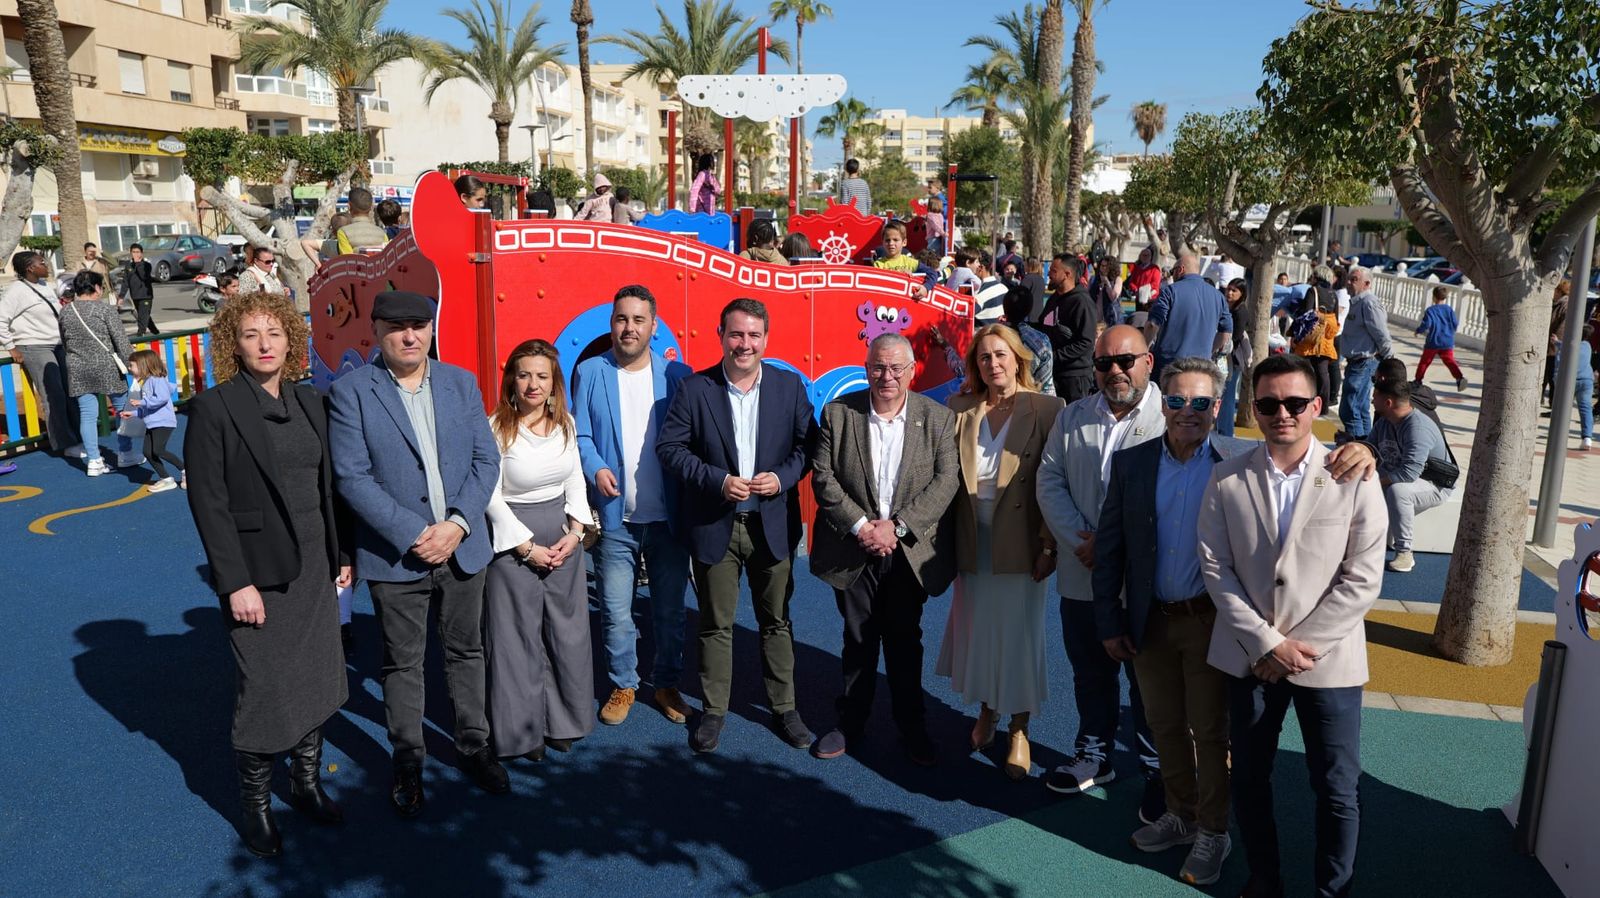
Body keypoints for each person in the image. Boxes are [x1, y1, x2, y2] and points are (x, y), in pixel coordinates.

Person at [1200, 353, 1386, 898]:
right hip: (1248, 656)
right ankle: (1264, 879)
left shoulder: (1353, 475)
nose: (1283, 413)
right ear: (1253, 410)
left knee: (1336, 788)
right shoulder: (1225, 478)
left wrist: (1298, 647)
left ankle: (1333, 891)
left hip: (1327, 662)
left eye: (1295, 403)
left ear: (1317, 407)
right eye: (1268, 403)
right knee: (1251, 778)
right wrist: (1266, 643)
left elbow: (1363, 577)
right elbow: (1216, 568)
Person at [328, 290, 509, 817]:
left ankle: (474, 745)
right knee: (402, 662)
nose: (410, 336)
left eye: (419, 326)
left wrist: (455, 525)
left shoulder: (460, 383)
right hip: (396, 555)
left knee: (466, 652)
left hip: (461, 547)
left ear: (431, 329)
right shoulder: (351, 392)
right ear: (376, 330)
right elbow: (352, 477)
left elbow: (485, 458)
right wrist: (413, 533)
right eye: (397, 326)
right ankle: (408, 757)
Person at [184, 289, 351, 859]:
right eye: (251, 334)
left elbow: (328, 489)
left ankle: (305, 785)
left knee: (316, 676)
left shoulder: (310, 402)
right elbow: (209, 502)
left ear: (291, 341)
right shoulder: (215, 408)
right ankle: (255, 807)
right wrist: (234, 582)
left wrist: (342, 553)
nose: (264, 345)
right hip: (258, 573)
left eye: (274, 334)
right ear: (234, 342)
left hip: (314, 567)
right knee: (265, 688)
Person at [1095, 357, 1234, 887]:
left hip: (1208, 623)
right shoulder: (1132, 463)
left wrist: (1360, 450)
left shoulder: (1235, 463)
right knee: (1162, 726)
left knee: (1210, 732)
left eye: (1200, 403)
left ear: (1216, 408)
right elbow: (1110, 550)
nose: (1187, 412)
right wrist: (1110, 620)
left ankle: (1214, 832)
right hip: (1149, 621)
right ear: (1163, 404)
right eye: (1177, 401)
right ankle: (1181, 814)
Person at [657, 298, 817, 754]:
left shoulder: (789, 388)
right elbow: (671, 449)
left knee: (777, 623)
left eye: (753, 335)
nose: (744, 344)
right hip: (715, 525)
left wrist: (783, 477)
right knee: (715, 624)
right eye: (736, 334)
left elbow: (809, 446)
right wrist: (717, 481)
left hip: (772, 524)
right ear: (721, 335)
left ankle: (785, 709)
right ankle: (714, 711)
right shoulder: (694, 389)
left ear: (765, 339)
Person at [809, 333, 961, 765]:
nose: (887, 376)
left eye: (897, 368)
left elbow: (945, 481)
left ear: (912, 371)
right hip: (854, 547)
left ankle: (910, 725)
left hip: (907, 551)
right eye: (878, 367)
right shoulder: (840, 414)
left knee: (903, 641)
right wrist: (863, 527)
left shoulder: (937, 418)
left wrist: (897, 529)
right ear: (866, 367)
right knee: (857, 638)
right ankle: (851, 722)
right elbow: (824, 478)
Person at [1036, 324, 1165, 813]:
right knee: (1090, 672)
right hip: (1083, 572)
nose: (1115, 371)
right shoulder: (1072, 417)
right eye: (1104, 363)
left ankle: (1157, 769)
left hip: (1143, 582)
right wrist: (1078, 539)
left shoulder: (1169, 416)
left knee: (1147, 679)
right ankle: (1095, 754)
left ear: (1147, 362)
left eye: (1125, 361)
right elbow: (1049, 480)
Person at [938, 324, 1062, 781]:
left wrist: (1050, 544)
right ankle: (988, 709)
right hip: (972, 540)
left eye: (1001, 355)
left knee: (1020, 636)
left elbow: (1054, 484)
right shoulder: (959, 407)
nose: (993, 364)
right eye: (985, 357)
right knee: (981, 632)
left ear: (1018, 358)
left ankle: (1020, 728)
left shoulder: (1047, 408)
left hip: (1023, 542)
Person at [572, 285, 695, 727]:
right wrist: (595, 467)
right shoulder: (590, 372)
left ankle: (665, 683)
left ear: (654, 326)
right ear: (612, 324)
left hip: (668, 519)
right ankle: (624, 682)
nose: (629, 327)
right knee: (616, 611)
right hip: (615, 518)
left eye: (638, 320)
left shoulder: (678, 375)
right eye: (622, 319)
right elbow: (581, 435)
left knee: (669, 610)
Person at [482, 339, 594, 761]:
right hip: (513, 539)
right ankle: (523, 732)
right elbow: (489, 495)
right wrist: (526, 547)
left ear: (553, 383)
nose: (533, 384)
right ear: (512, 379)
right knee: (516, 639)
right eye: (524, 374)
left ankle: (562, 721)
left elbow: (576, 479)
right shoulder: (495, 428)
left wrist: (577, 530)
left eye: (542, 376)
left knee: (567, 634)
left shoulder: (564, 422)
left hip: (563, 535)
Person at [1371, 378, 1453, 573]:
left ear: (1388, 402)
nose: (1372, 401)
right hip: (1399, 475)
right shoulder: (1385, 422)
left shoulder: (1418, 428)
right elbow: (1371, 449)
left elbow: (1409, 473)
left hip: (1433, 485)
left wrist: (1373, 483)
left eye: (1375, 397)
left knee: (1399, 491)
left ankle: (1405, 552)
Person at [59, 271, 136, 474]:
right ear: (96, 288)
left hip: (78, 367)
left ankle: (94, 460)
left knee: (87, 415)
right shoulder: (105, 309)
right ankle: (126, 453)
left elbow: (65, 342)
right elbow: (121, 341)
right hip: (106, 365)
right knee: (122, 409)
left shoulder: (66, 311)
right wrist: (133, 365)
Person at [0, 251, 75, 454]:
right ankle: (63, 443)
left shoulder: (44, 285)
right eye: (42, 262)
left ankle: (75, 435)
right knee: (53, 394)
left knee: (69, 390)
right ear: (30, 268)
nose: (46, 265)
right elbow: (1, 318)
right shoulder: (16, 291)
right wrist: (10, 346)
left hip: (57, 343)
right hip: (34, 345)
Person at [1149, 252, 1232, 374]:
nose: (1173, 275)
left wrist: (1144, 349)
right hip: (1200, 367)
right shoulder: (1218, 296)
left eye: (1173, 271)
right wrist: (1209, 351)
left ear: (1181, 269)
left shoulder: (1170, 291)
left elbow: (1152, 324)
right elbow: (1226, 333)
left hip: (1169, 365)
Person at [1338, 265, 1392, 440]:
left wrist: (1389, 361)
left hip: (1364, 362)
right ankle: (1367, 446)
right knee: (1358, 409)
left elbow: (1382, 334)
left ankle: (1357, 447)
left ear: (1367, 283)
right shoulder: (1358, 302)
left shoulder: (1369, 302)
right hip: (1356, 363)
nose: (1348, 283)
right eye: (1349, 278)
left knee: (1350, 408)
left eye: (1354, 280)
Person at [121, 348, 185, 491]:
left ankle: (185, 470)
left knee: (158, 450)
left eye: (132, 365)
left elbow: (161, 399)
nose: (129, 368)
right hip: (152, 422)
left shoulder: (157, 380)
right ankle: (166, 478)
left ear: (144, 365)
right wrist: (134, 413)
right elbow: (149, 406)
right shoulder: (147, 382)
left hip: (164, 422)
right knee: (147, 452)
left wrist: (141, 403)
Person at [1040, 254, 1097, 403]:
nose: (1048, 274)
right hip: (1053, 375)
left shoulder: (1082, 302)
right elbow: (1042, 326)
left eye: (1053, 271)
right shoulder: (1054, 298)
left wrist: (1054, 356)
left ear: (1067, 274)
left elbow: (1086, 342)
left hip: (1074, 379)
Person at [1291, 286, 1340, 412]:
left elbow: (1306, 314)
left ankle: (1303, 402)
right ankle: (1323, 407)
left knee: (1305, 372)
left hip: (1310, 340)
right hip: (1326, 341)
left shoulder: (1313, 291)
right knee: (1323, 373)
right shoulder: (1334, 295)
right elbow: (1337, 319)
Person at [1414, 286, 1467, 391]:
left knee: (1425, 362)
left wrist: (1418, 331)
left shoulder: (1430, 310)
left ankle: (1418, 381)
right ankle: (1459, 378)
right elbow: (1455, 324)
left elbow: (1426, 324)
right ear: (1445, 297)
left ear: (1434, 297)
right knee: (1450, 361)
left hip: (1433, 341)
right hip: (1447, 341)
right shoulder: (1449, 310)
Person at [1219, 278, 1253, 437]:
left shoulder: (1241, 312)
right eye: (1229, 289)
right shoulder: (1227, 307)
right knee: (1222, 393)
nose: (1230, 293)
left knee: (1228, 395)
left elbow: (1236, 336)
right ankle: (1221, 428)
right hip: (1223, 357)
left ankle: (1226, 432)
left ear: (1242, 294)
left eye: (1234, 291)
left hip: (1232, 359)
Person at [336, 186, 391, 254]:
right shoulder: (382, 233)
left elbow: (347, 258)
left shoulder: (343, 232)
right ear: (371, 207)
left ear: (349, 206)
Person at [122, 243, 158, 336]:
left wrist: (138, 263)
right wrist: (121, 296)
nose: (135, 254)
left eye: (137, 252)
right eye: (133, 252)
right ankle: (155, 331)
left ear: (141, 253)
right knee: (144, 315)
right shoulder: (128, 266)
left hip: (146, 295)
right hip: (135, 295)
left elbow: (143, 276)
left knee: (142, 316)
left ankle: (140, 333)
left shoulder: (147, 265)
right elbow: (125, 282)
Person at [1125, 245, 1163, 313]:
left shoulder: (1154, 268)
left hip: (1150, 299)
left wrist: (1144, 291)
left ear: (1150, 257)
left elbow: (1155, 283)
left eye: (1147, 255)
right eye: (1143, 255)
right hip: (1138, 297)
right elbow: (1131, 281)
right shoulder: (1137, 268)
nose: (1145, 257)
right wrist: (1136, 290)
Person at [1090, 256, 1124, 329]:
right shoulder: (1093, 279)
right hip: (1095, 317)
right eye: (1102, 266)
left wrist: (1107, 282)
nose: (1104, 268)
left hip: (1112, 316)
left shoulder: (1117, 279)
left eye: (1107, 266)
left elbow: (1113, 297)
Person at [1020, 256, 1048, 320]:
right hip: (1039, 313)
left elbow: (1021, 295)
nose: (1024, 265)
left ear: (1030, 265)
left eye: (1025, 264)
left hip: (1028, 314)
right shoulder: (1041, 279)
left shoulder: (1028, 278)